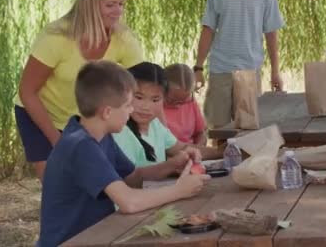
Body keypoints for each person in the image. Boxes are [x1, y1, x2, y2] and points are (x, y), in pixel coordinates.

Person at [38, 61, 209, 247]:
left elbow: (133, 177)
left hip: (96, 236)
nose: (131, 110)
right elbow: (128, 202)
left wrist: (172, 164)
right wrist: (179, 191)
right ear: (107, 112)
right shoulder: (81, 146)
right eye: (128, 105)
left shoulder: (99, 136)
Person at [14, 0, 143, 181]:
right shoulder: (56, 37)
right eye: (110, 5)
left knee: (92, 180)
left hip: (82, 117)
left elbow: (147, 85)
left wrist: (168, 140)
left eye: (121, 4)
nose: (118, 11)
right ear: (89, 4)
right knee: (57, 180)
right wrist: (59, 142)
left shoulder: (123, 37)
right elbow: (27, 91)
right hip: (39, 111)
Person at [194, 0, 285, 128]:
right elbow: (208, 29)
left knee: (248, 128)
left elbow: (271, 34)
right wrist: (199, 68)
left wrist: (275, 71)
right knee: (217, 128)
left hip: (250, 69)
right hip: (221, 69)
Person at [113, 62, 203, 171]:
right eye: (139, 97)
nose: (146, 107)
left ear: (163, 100)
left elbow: (182, 148)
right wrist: (171, 166)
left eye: (155, 100)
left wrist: (219, 151)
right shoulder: (119, 131)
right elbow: (130, 178)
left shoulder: (155, 125)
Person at [163, 63, 207, 145]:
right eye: (173, 100)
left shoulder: (191, 102)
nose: (179, 104)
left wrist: (198, 148)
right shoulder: (154, 107)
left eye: (184, 101)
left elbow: (201, 133)